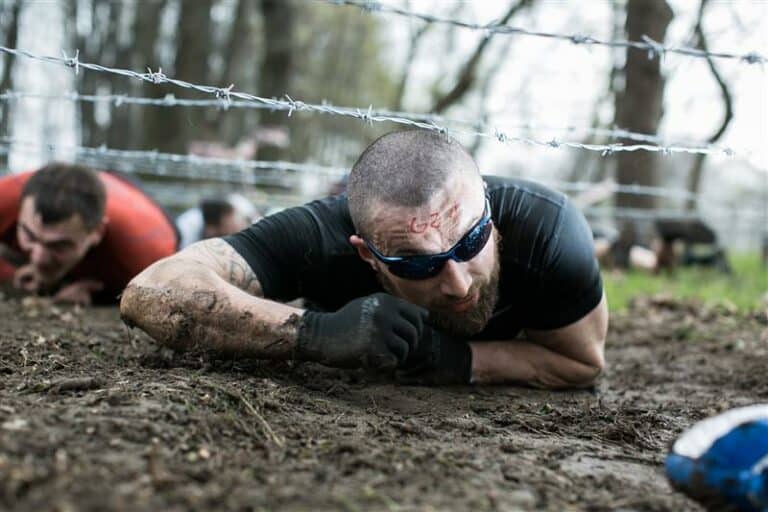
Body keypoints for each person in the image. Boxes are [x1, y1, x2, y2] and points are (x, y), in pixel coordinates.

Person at [120, 130, 608, 388]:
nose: (458, 284)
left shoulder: (547, 231)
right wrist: (318, 334)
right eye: (417, 264)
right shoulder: (322, 235)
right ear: (367, 255)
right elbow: (152, 290)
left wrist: (461, 361)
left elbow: (581, 364)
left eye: (471, 242)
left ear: (486, 209)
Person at [0, 163, 178, 305]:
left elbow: (167, 297)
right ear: (19, 208)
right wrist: (10, 274)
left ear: (97, 232)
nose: (38, 258)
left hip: (136, 204)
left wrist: (101, 297)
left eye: (60, 245)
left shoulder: (144, 250)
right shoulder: (6, 196)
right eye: (29, 236)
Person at [175, 194, 260, 249]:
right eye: (227, 226)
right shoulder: (188, 227)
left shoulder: (241, 206)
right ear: (212, 230)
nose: (235, 227)